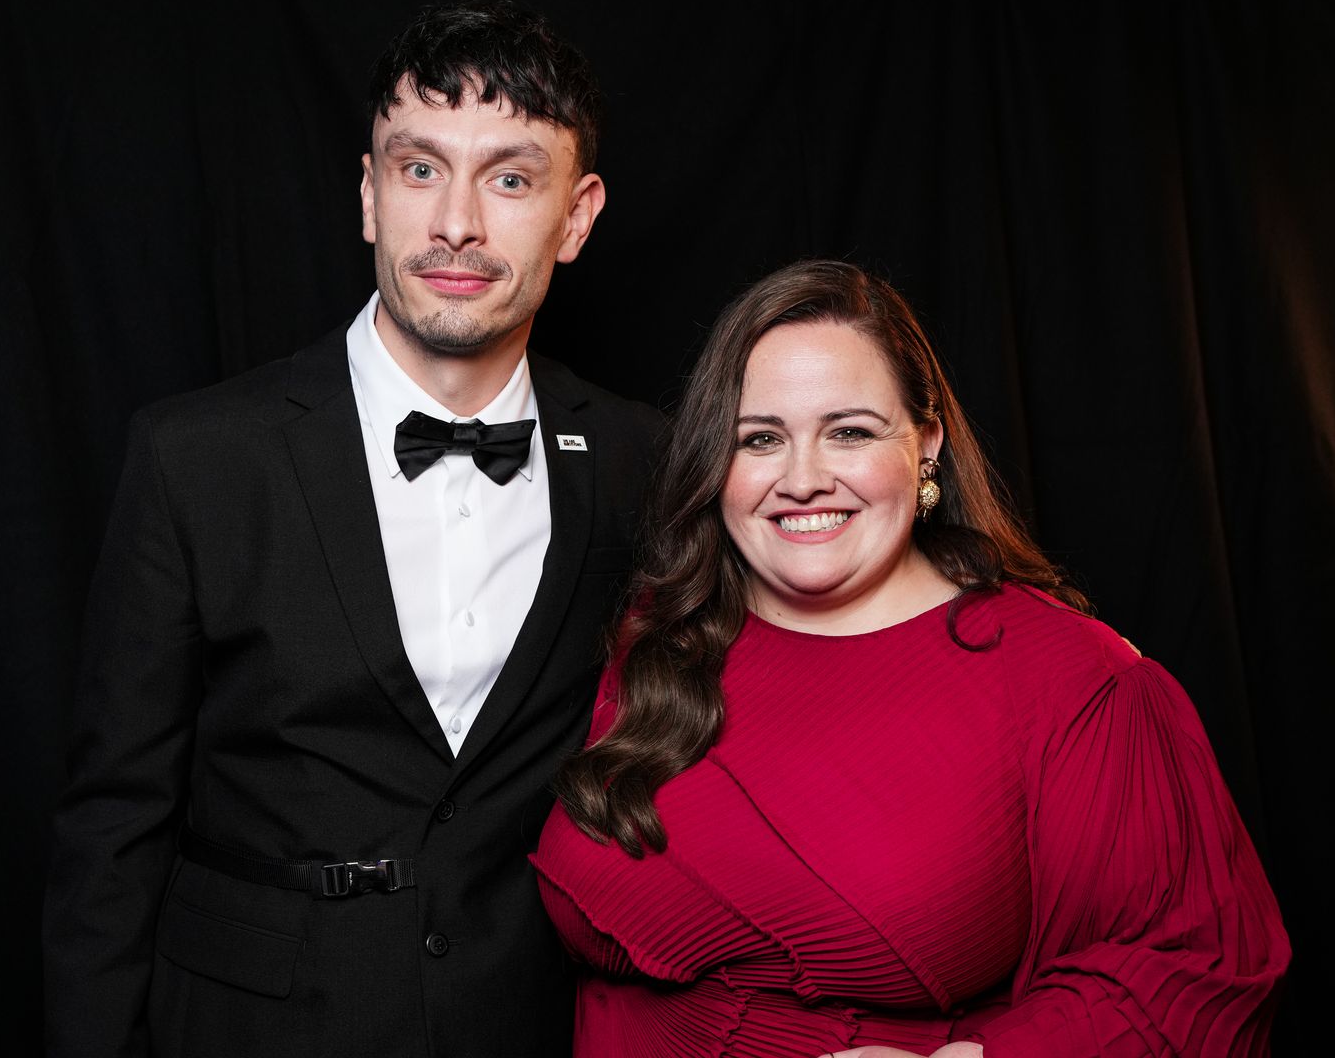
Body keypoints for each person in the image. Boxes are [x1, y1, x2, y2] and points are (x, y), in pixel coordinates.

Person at [42, 0, 662, 1058]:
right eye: (420, 169)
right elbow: (114, 820)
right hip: (247, 1026)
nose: (457, 222)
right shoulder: (198, 458)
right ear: (370, 195)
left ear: (577, 214)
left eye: (510, 178)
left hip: (524, 1023)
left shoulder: (642, 461)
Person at [530, 260, 1289, 1058]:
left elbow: (1199, 970)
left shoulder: (1072, 678)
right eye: (759, 439)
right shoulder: (662, 633)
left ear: (926, 443)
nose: (803, 480)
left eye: (849, 432)